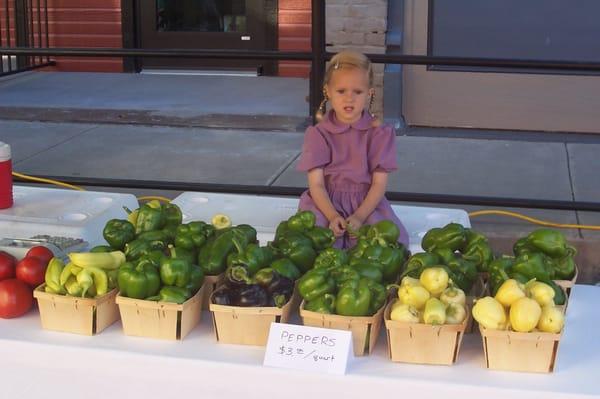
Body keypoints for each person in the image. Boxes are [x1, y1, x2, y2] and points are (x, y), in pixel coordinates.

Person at [297, 50, 409, 249]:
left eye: (357, 92)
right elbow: (317, 185)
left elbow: (378, 185)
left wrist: (359, 216)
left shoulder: (378, 134)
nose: (349, 98)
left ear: (369, 93)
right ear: (327, 92)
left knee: (388, 242)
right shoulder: (319, 133)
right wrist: (332, 216)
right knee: (311, 242)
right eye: (341, 91)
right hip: (325, 202)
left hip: (366, 202)